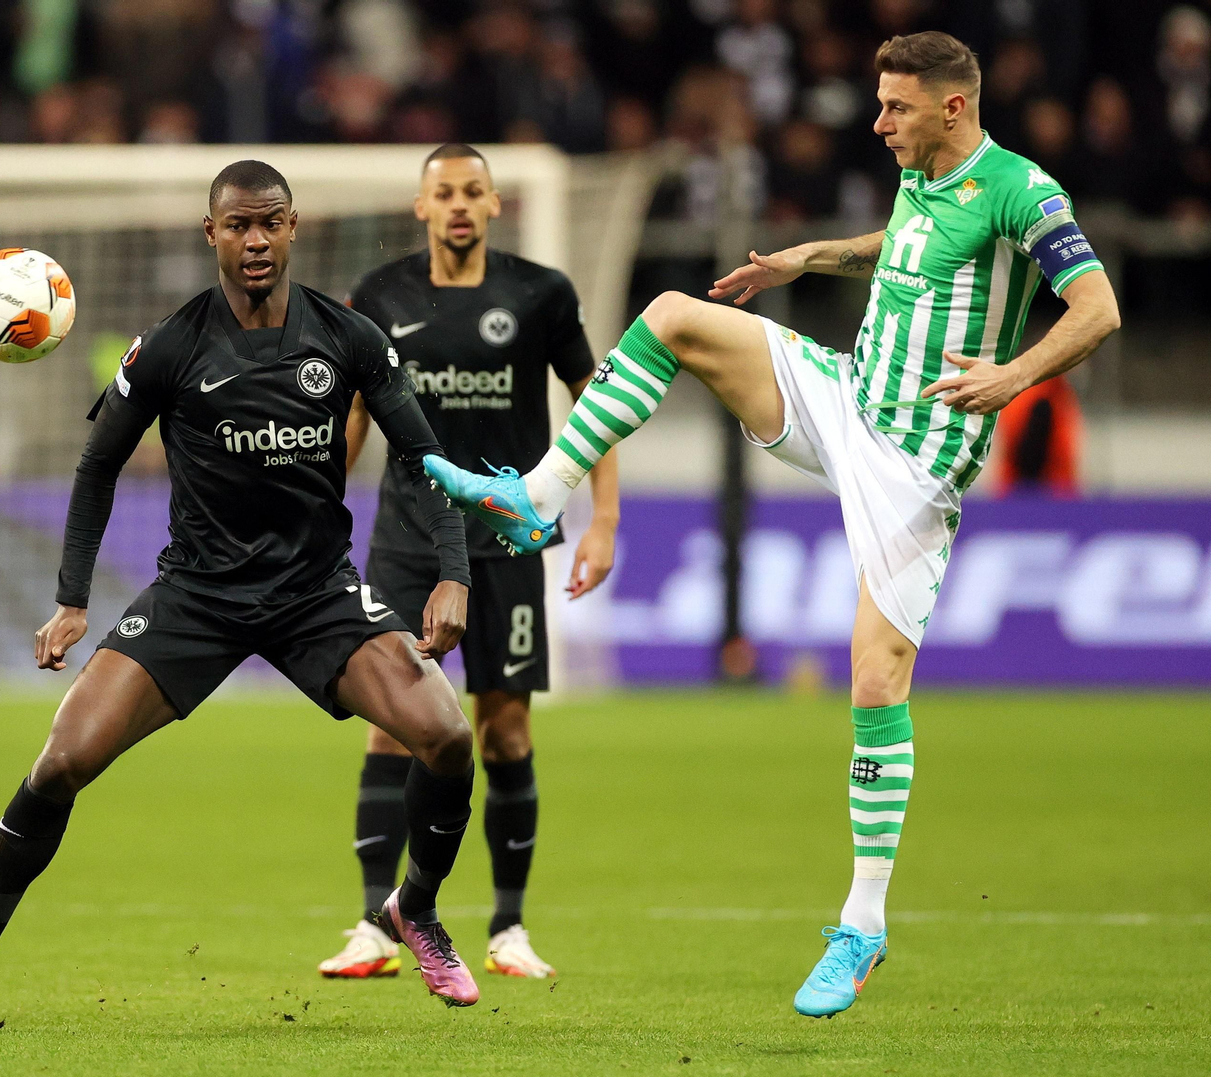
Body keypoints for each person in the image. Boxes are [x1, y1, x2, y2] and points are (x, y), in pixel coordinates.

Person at [425, 32, 1120, 1017]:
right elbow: (909, 245)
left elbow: (1097, 308)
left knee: (875, 680)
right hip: (848, 397)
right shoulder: (925, 175)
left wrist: (1009, 379)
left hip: (915, 467)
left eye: (895, 108)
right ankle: (537, 496)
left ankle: (863, 923)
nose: (877, 124)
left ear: (953, 108)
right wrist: (813, 257)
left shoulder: (1022, 189)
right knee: (671, 316)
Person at [0, 160, 486, 1014]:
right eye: (238, 225)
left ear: (294, 227)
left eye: (270, 223)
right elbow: (98, 463)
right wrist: (73, 597)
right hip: (197, 596)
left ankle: (416, 907)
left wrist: (452, 574)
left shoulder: (349, 337)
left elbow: (427, 457)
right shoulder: (169, 346)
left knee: (448, 735)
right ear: (212, 234)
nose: (256, 240)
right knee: (61, 760)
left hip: (316, 595)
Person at [318, 144, 618, 982]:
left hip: (509, 540)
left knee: (504, 726)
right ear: (420, 208)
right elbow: (352, 419)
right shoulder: (381, 297)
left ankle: (510, 927)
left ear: (494, 205)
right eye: (442, 192)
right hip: (406, 540)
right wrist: (316, 511)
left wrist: (603, 522)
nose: (457, 204)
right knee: (390, 722)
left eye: (472, 192)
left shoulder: (540, 293)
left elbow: (598, 403)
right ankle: (374, 923)